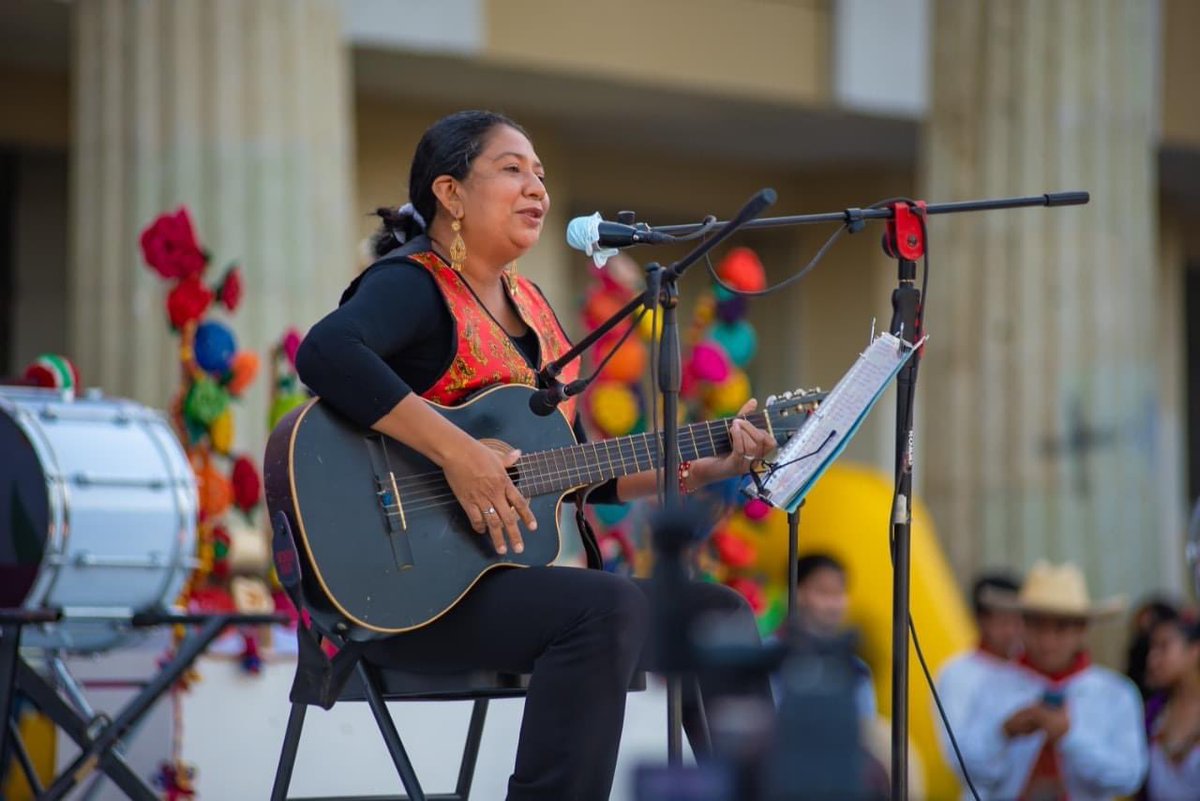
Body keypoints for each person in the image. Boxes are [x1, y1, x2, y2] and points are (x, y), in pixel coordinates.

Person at [294, 110, 777, 801]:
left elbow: (576, 473)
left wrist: (708, 463)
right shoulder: (415, 284)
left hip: (499, 588)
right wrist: (459, 453)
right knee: (603, 605)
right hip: (404, 598)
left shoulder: (534, 310)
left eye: (542, 175)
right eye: (512, 169)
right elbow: (326, 352)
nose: (537, 189)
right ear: (450, 194)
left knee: (717, 610)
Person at [952, 560, 1147, 801]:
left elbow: (1128, 778)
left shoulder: (1115, 693)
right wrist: (1002, 733)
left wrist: (1069, 737)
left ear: (1082, 630)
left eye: (1061, 629)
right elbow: (965, 768)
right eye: (1037, 627)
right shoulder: (992, 685)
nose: (1047, 641)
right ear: (1022, 625)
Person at [935, 572, 1023, 771]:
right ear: (980, 619)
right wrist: (1004, 732)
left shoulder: (1030, 668)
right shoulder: (956, 674)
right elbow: (956, 756)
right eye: (1002, 620)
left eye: (1017, 619)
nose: (1011, 630)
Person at [1143, 608, 1200, 800]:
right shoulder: (1153, 713)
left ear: (1194, 650)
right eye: (1151, 649)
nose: (1152, 660)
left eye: (1163, 647)